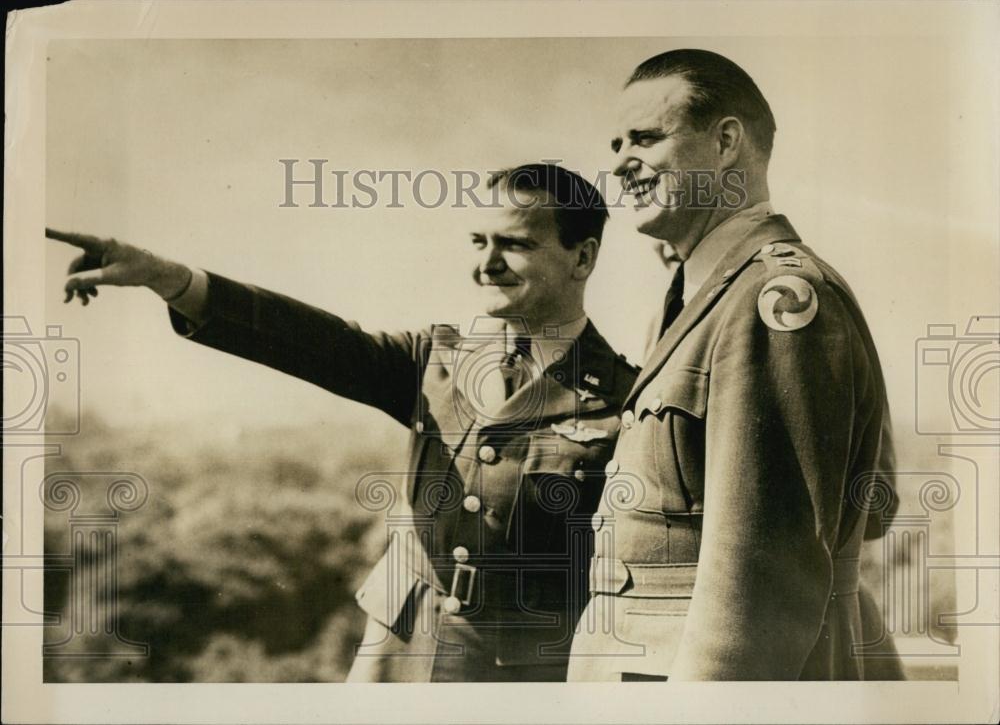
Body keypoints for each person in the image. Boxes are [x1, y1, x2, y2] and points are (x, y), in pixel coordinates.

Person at [48, 162, 638, 682]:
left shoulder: (629, 398)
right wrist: (168, 278)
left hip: (528, 674)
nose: (486, 264)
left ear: (581, 257)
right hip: (398, 651)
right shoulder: (435, 359)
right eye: (478, 240)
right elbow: (315, 342)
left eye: (514, 244)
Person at [566, 49, 901, 681]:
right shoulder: (702, 296)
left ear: (725, 143)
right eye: (616, 143)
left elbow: (760, 583)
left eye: (645, 137)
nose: (619, 163)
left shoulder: (775, 300)